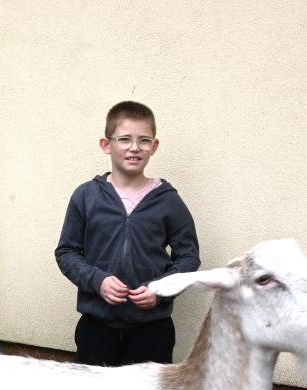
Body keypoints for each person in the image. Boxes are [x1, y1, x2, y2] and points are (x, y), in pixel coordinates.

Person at [55, 101, 200, 367]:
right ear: (106, 144)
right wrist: (97, 281)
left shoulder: (168, 201)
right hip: (96, 327)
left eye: (144, 140)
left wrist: (160, 290)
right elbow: (66, 252)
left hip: (152, 330)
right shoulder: (86, 196)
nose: (134, 148)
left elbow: (189, 257)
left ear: (154, 147)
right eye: (124, 139)